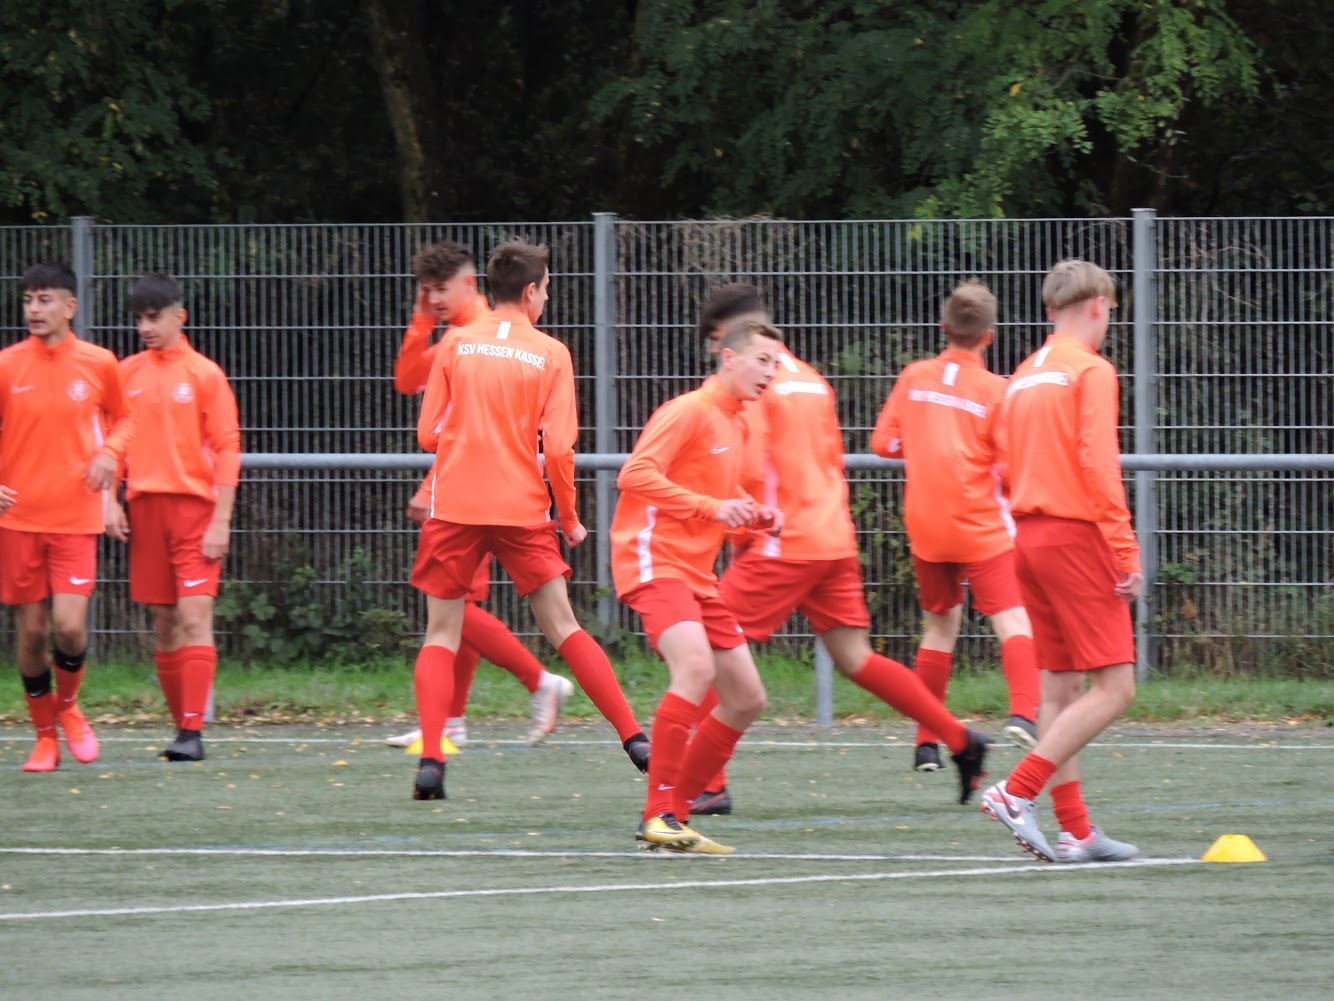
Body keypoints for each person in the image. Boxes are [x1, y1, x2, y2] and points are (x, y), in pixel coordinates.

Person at [697, 290, 991, 817]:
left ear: (732, 336)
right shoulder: (813, 380)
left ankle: (706, 783)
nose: (719, 356)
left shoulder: (756, 384)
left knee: (706, 647)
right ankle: (961, 740)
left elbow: (747, 466)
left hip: (783, 541)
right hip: (831, 536)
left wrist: (741, 537)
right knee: (856, 658)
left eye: (718, 343)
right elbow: (830, 459)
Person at [409, 239, 649, 800]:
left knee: (441, 633)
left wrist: (468, 437)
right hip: (520, 507)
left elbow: (427, 434)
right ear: (534, 290)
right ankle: (635, 738)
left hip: (456, 506)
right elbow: (560, 449)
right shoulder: (551, 353)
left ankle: (431, 763)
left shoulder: (455, 343)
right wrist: (569, 517)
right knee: (564, 627)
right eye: (546, 291)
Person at [979, 259, 1142, 864]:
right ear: (1099, 306)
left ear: (1051, 310)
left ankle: (1076, 831)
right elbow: (1098, 463)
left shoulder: (1022, 375)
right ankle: (1017, 791)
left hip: (1027, 538)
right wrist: (1124, 548)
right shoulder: (1091, 370)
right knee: (1116, 687)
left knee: (1060, 687)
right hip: (1074, 536)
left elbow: (997, 459)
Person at [387, 240, 573, 752]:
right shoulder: (456, 335)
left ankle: (539, 680)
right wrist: (421, 321)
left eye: (440, 290)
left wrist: (430, 487)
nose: (433, 299)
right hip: (471, 490)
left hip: (472, 495)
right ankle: (452, 719)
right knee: (460, 605)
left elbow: (474, 434)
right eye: (426, 291)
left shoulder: (476, 337)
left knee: (455, 611)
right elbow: (407, 380)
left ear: (470, 284)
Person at [610, 317, 785, 854]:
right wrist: (713, 507)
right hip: (654, 560)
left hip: (696, 575)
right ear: (729, 358)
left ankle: (676, 813)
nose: (770, 373)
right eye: (762, 360)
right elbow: (635, 474)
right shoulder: (688, 410)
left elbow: (718, 491)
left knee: (747, 697)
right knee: (696, 668)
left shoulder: (737, 423)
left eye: (776, 364)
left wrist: (754, 513)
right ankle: (658, 813)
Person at [870, 282, 1040, 773]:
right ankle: (1024, 714)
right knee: (1012, 619)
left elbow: (883, 444)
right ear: (989, 336)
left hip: (927, 524)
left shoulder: (913, 376)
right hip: (979, 525)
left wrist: (926, 445)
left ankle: (926, 743)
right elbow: (1008, 468)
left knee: (939, 627)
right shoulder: (996, 390)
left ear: (943, 327)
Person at [0, 262, 135, 772]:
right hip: (18, 519)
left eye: (45, 300)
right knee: (32, 632)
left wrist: (110, 453)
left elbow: (125, 418)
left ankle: (70, 706)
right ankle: (43, 737)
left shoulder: (99, 363)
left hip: (76, 517)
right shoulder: (8, 364)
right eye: (28, 300)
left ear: (69, 307)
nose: (34, 310)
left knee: (69, 628)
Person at [105, 273, 241, 762]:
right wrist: (109, 500)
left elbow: (227, 447)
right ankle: (181, 724)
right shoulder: (125, 373)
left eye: (154, 317)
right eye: (139, 319)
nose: (145, 327)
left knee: (194, 615)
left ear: (179, 317)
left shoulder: (205, 374)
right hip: (145, 509)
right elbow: (113, 444)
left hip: (194, 511)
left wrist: (221, 520)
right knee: (164, 622)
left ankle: (192, 731)